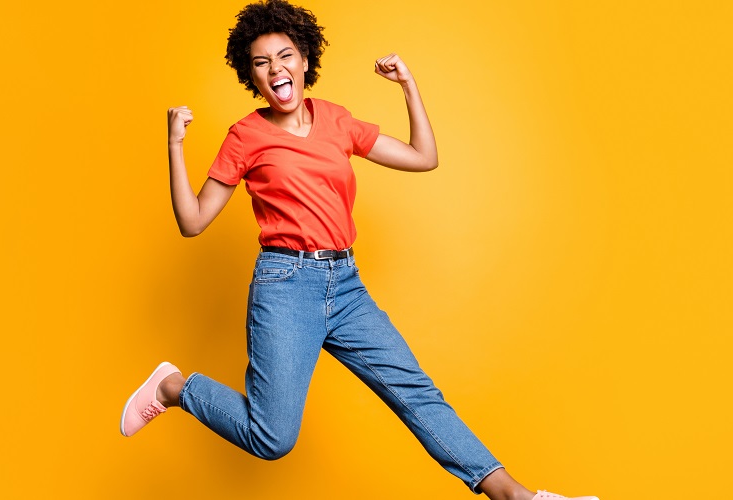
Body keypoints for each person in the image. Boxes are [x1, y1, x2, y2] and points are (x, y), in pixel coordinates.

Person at [120, 1, 597, 499]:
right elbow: (193, 222)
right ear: (252, 76)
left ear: (305, 60)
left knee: (416, 393)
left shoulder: (337, 120)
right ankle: (175, 387)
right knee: (272, 438)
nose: (276, 69)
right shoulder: (245, 135)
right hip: (285, 288)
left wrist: (408, 86)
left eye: (285, 56)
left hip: (345, 286)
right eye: (262, 63)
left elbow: (423, 157)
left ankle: (515, 495)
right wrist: (175, 145)